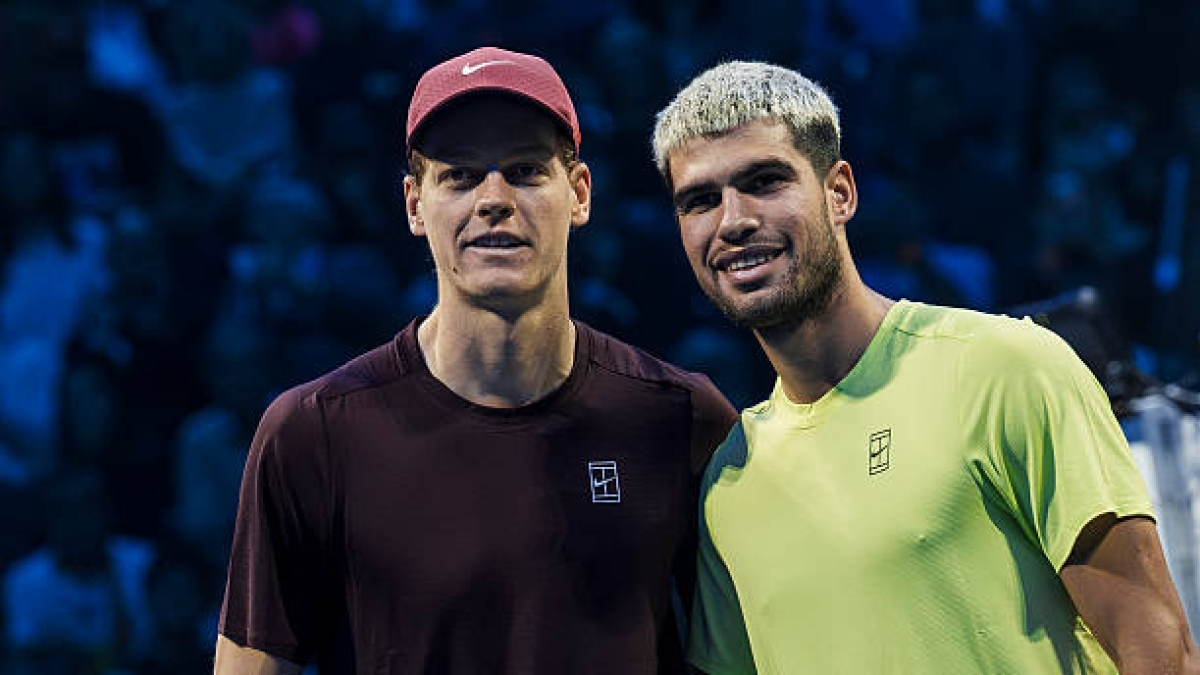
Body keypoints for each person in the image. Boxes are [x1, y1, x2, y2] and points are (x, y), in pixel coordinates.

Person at [651, 60, 1200, 674]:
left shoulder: (1002, 369)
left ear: (840, 193)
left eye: (765, 181)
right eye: (700, 200)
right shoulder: (730, 480)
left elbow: (1161, 652)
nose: (733, 220)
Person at [215, 46, 737, 674]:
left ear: (579, 194)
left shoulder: (681, 418)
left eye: (524, 171)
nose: (493, 198)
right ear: (414, 204)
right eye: (460, 176)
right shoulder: (312, 434)